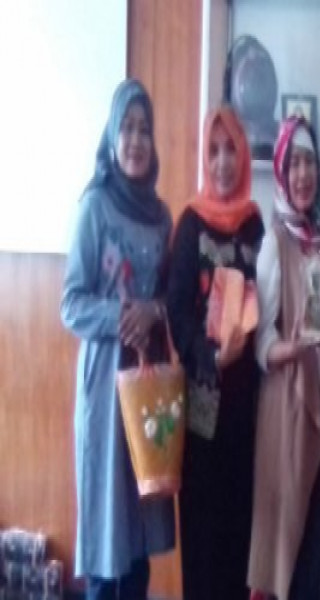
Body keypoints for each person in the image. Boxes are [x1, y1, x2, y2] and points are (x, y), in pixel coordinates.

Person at [61, 79, 174, 600]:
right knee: (108, 547)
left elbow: (171, 297)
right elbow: (71, 303)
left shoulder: (162, 217)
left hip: (148, 389)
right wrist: (122, 314)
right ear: (111, 135)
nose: (136, 140)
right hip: (106, 392)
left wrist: (154, 311)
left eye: (144, 129)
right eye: (126, 128)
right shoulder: (94, 207)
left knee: (139, 546)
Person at [166, 106, 263, 600]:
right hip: (202, 409)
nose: (223, 162)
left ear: (243, 155)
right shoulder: (190, 224)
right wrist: (208, 357)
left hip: (247, 410)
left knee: (239, 539)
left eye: (231, 150)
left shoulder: (255, 226)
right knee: (203, 540)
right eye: (214, 151)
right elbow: (177, 311)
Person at [248, 116, 320, 600]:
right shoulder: (274, 242)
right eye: (295, 165)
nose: (304, 174)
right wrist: (293, 349)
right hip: (288, 404)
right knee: (293, 534)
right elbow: (260, 342)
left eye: (310, 162)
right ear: (282, 173)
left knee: (318, 532)